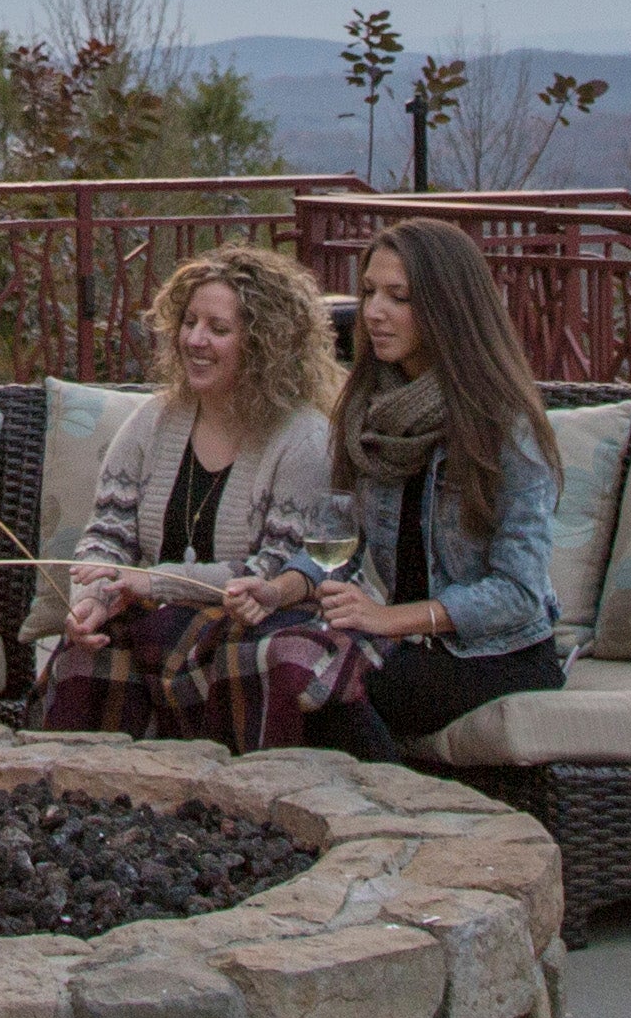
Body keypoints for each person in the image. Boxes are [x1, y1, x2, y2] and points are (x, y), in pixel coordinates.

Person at [34, 243, 362, 747]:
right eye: (189, 323)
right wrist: (93, 600)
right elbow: (106, 538)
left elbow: (272, 572)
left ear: (264, 345)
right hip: (155, 616)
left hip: (253, 618)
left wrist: (152, 582)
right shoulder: (152, 420)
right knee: (91, 651)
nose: (196, 340)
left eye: (218, 329)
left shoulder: (302, 438)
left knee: (251, 658)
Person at [309, 219, 569, 761]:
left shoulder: (504, 426)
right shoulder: (371, 412)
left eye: (397, 297)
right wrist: (282, 588)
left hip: (498, 656)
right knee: (272, 656)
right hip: (410, 649)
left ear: (447, 308)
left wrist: (387, 619)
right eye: (369, 292)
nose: (373, 311)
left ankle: (407, 818)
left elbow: (519, 594)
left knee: (326, 684)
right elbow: (339, 545)